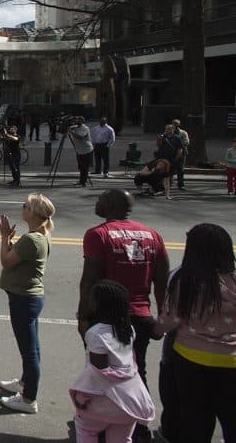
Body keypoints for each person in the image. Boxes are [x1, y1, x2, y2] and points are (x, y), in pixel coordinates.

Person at [78, 189, 168, 443]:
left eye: (99, 199)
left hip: (106, 320)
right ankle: (137, 426)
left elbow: (89, 280)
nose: (96, 201)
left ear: (109, 205)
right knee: (135, 371)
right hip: (141, 315)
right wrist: (161, 316)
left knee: (100, 373)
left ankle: (101, 424)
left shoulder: (98, 235)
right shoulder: (153, 235)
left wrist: (83, 317)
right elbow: (162, 280)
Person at [156, 224, 235, 443]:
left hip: (190, 359)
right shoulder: (234, 279)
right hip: (231, 361)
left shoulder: (182, 279)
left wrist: (154, 331)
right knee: (231, 418)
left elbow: (169, 319)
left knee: (196, 417)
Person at [70, 280, 155, 443]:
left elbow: (98, 372)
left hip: (103, 402)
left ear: (100, 305)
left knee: (86, 431)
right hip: (129, 403)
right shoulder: (128, 330)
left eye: (92, 299)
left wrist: (82, 398)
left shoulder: (96, 333)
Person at [0, 194, 55, 414]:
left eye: (26, 206)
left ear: (35, 213)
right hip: (28, 298)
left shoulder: (32, 239)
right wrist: (11, 241)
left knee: (29, 352)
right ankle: (24, 382)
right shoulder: (38, 236)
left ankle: (29, 399)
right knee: (32, 348)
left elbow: (6, 261)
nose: (23, 208)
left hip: (24, 300)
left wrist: (3, 238)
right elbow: (19, 258)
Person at [70, 116, 93, 187]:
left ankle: (84, 182)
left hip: (86, 150)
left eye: (78, 120)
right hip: (79, 150)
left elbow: (80, 137)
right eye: (76, 120)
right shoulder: (74, 127)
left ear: (82, 121)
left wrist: (71, 131)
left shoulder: (85, 128)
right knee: (80, 167)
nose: (76, 121)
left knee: (84, 167)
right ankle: (81, 181)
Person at [170, 119, 189, 190]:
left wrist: (177, 143)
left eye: (177, 124)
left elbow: (187, 142)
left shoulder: (183, 133)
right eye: (174, 124)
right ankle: (169, 183)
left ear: (179, 125)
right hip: (172, 152)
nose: (175, 125)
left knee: (180, 169)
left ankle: (180, 185)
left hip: (182, 153)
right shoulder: (169, 132)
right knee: (170, 168)